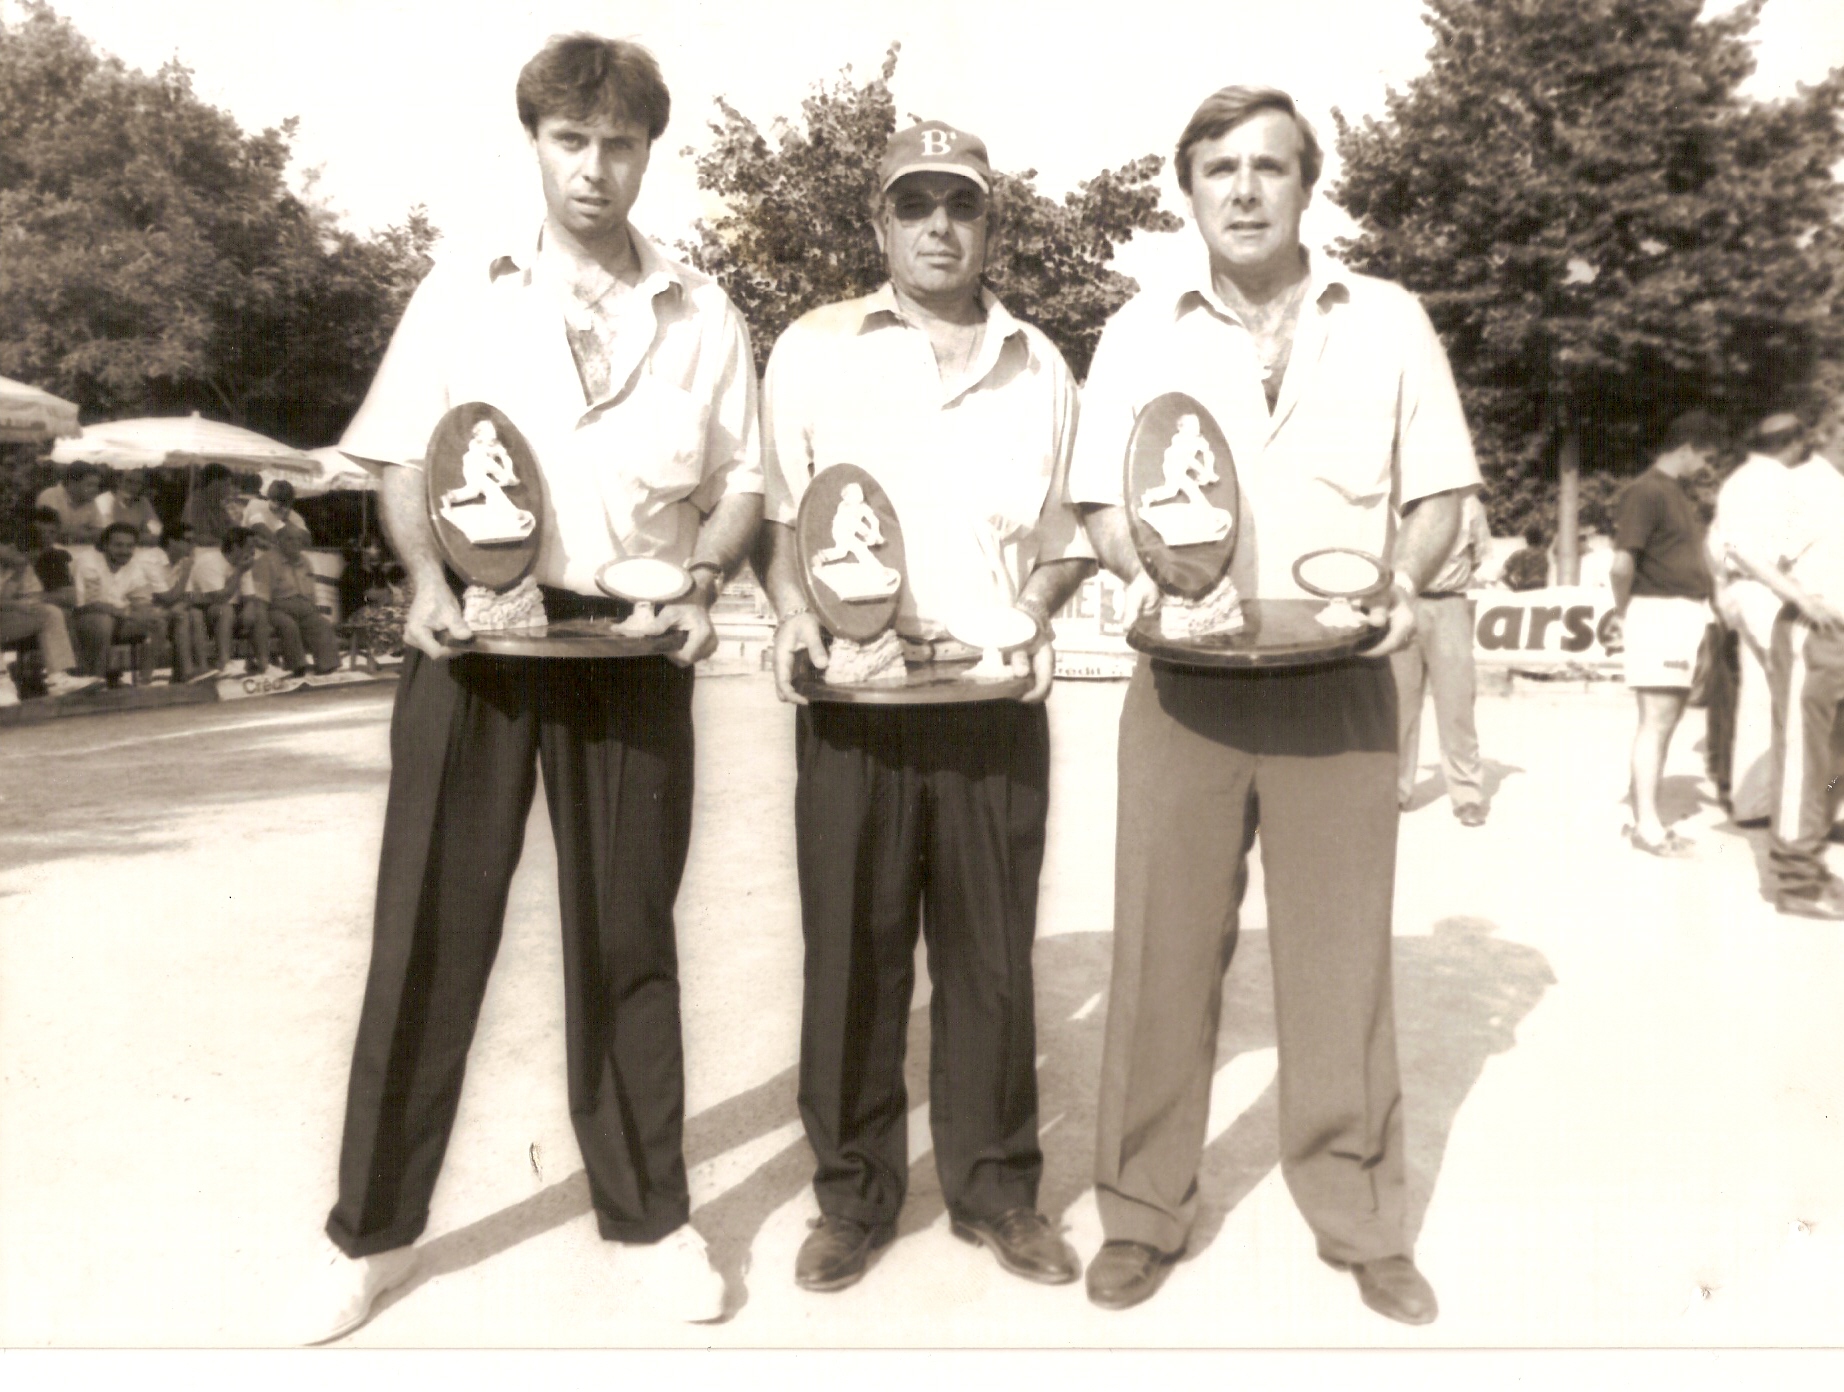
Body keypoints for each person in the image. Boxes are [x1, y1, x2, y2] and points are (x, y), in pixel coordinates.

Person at [289, 34, 761, 1343]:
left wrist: (706, 586)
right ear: (537, 144)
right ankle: (369, 1237)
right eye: (572, 140)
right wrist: (428, 587)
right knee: (429, 940)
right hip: (480, 647)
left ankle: (651, 1222)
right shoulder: (463, 291)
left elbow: (744, 487)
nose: (596, 167)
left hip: (630, 646)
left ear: (648, 152)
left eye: (619, 143)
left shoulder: (705, 312)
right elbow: (394, 461)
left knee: (629, 943)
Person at [1067, 85, 1478, 1324]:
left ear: (1310, 185)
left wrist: (1403, 586)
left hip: (1343, 690)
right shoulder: (1140, 331)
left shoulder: (1389, 320)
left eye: (1270, 167)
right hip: (1186, 692)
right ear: (1183, 188)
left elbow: (1439, 488)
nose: (1243, 189)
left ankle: (1357, 1218)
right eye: (1217, 169)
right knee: (1158, 955)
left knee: (1339, 967)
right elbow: (1097, 500)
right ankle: (1142, 1211)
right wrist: (1147, 584)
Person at [757, 120, 1093, 1295]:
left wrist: (1033, 613)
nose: (939, 225)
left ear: (989, 222)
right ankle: (851, 1196)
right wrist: (797, 614)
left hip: (990, 703)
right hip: (857, 706)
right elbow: (776, 522)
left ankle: (997, 1191)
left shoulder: (1040, 362)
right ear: (877, 224)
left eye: (961, 203)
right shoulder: (811, 349)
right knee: (850, 959)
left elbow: (1066, 537)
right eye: (914, 205)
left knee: (993, 964)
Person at [1721, 411, 1844, 917]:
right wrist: (1801, 597)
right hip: (1815, 635)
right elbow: (1743, 549)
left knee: (1834, 762)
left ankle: (1812, 860)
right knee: (1801, 758)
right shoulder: (1805, 486)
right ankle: (1795, 883)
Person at [1610, 409, 1724, 856]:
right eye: (1706, 456)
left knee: (1667, 721)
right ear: (1687, 447)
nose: (1706, 466)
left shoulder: (1674, 493)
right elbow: (1622, 564)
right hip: (1657, 613)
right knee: (1656, 721)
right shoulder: (1645, 492)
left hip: (1681, 615)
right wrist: (1624, 612)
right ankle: (1647, 828)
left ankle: (1646, 816)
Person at [1707, 413, 1810, 824]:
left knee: (1759, 697)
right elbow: (1794, 548)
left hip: (1739, 592)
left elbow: (1715, 545)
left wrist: (1723, 595)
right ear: (1795, 443)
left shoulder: (1736, 481)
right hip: (1771, 590)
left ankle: (1753, 804)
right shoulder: (1783, 482)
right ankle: (1814, 804)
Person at [1393, 489, 1493, 824]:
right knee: (1399, 704)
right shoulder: (1396, 498)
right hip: (1402, 603)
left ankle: (1466, 794)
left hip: (1450, 602)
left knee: (1457, 703)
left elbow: (1479, 554)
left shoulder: (1468, 505)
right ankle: (1395, 791)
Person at [1, 524, 104, 698]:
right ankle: (3, 682)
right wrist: (15, 605)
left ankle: (58, 678)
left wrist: (17, 580)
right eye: (25, 558)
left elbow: (27, 597)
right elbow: (11, 603)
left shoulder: (20, 567)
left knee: (50, 613)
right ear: (11, 548)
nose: (28, 564)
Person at [71, 521, 164, 683]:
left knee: (157, 621)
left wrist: (147, 614)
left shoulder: (133, 565)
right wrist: (128, 614)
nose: (125, 551)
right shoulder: (88, 561)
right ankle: (96, 682)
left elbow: (142, 600)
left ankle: (144, 682)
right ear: (105, 545)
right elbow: (93, 603)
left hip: (118, 618)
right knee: (103, 621)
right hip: (82, 618)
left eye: (130, 546)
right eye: (118, 545)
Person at [247, 525, 340, 677]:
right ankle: (297, 667)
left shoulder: (305, 561)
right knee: (288, 626)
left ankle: (327, 667)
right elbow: (262, 598)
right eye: (290, 539)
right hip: (277, 608)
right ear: (278, 541)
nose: (296, 543)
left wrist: (312, 609)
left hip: (304, 606)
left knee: (322, 624)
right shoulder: (266, 561)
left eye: (299, 540)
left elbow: (311, 590)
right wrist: (262, 622)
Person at [185, 526, 259, 675]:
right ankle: (224, 663)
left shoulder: (243, 562)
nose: (253, 552)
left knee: (260, 612)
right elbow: (219, 598)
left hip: (229, 609)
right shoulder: (210, 561)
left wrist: (250, 609)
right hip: (202, 611)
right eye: (250, 547)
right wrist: (239, 571)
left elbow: (250, 596)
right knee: (224, 610)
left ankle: (261, 664)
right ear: (235, 547)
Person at [36, 462, 106, 546]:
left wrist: (71, 535)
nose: (95, 490)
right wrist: (84, 534)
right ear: (72, 483)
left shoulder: (90, 502)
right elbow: (47, 533)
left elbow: (99, 533)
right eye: (90, 485)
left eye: (96, 485)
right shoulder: (50, 496)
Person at [181, 463, 244, 546]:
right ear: (214, 484)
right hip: (201, 554)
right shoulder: (196, 504)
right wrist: (229, 546)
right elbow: (200, 538)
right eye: (227, 484)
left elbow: (231, 528)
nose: (229, 489)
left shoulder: (217, 503)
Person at [102, 468, 165, 544]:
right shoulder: (104, 500)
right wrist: (142, 534)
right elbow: (107, 535)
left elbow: (156, 532)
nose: (133, 487)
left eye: (138, 483)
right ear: (118, 481)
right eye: (129, 481)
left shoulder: (143, 502)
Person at [241, 478, 311, 542]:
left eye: (282, 503)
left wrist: (286, 521)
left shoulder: (294, 517)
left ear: (289, 503)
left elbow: (307, 541)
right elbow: (251, 528)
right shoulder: (255, 504)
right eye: (274, 500)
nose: (277, 505)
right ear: (269, 497)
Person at [1502, 524, 1550, 591]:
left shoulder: (1519, 555)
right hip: (1540, 594)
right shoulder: (1544, 556)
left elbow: (1503, 574)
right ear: (1541, 540)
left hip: (1523, 593)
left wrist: (1514, 587)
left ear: (1526, 539)